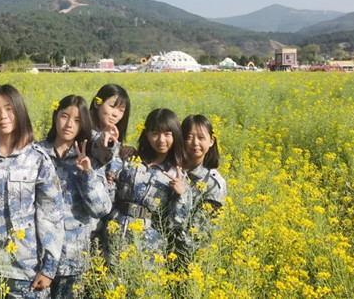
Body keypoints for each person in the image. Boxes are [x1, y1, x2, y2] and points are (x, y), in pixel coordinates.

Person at [0, 84, 65, 298]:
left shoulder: (37, 158)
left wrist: (49, 268)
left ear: (20, 112)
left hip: (26, 270)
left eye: (9, 109)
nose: (3, 116)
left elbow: (51, 215)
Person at [39, 95, 112, 298]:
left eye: (77, 120)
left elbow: (101, 209)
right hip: (38, 258)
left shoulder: (90, 158)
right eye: (64, 116)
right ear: (55, 117)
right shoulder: (37, 153)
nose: (69, 124)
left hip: (72, 259)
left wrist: (87, 174)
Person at [111, 108, 189, 256]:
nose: (161, 140)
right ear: (146, 134)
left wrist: (181, 195)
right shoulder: (131, 159)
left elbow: (177, 224)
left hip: (148, 246)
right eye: (155, 133)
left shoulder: (177, 174)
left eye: (167, 134)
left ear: (176, 136)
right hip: (115, 236)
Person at [172, 114, 227, 259]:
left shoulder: (213, 183)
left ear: (211, 141)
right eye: (189, 137)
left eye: (201, 137)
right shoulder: (170, 169)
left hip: (186, 256)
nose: (195, 143)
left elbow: (201, 231)